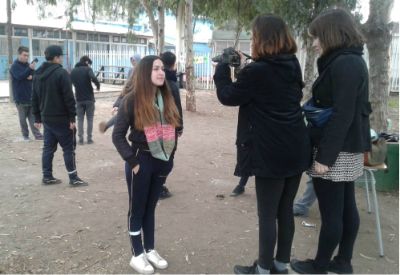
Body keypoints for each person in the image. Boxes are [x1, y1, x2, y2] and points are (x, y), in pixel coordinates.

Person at [213, 14, 311, 274]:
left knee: (267, 214)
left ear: (261, 38)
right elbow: (269, 84)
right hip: (296, 146)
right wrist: (246, 65)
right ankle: (281, 264)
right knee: (285, 211)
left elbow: (228, 96)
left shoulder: (257, 71)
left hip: (271, 151)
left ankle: (263, 269)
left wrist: (222, 67)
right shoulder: (292, 63)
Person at [290, 8, 371, 274]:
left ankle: (321, 264)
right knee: (346, 206)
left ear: (332, 34)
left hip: (336, 148)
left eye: (317, 37)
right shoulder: (349, 60)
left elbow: (342, 114)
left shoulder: (345, 63)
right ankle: (343, 261)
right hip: (345, 146)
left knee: (332, 211)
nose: (314, 43)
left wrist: (325, 157)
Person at [112, 55, 181, 274]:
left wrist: (170, 160)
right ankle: (137, 253)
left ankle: (150, 249)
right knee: (137, 209)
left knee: (150, 208)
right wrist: (132, 162)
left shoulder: (167, 97)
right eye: (155, 69)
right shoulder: (131, 100)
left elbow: (175, 130)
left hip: (162, 162)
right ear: (144, 73)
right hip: (140, 161)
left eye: (162, 68)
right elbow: (118, 136)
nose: (161, 72)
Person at [32, 45, 87, 187]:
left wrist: (37, 117)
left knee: (48, 148)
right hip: (62, 119)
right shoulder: (61, 73)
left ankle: (47, 176)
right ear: (56, 57)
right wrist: (72, 118)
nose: (61, 59)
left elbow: (34, 97)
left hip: (46, 119)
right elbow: (69, 98)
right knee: (69, 149)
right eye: (60, 56)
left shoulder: (37, 73)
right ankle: (73, 178)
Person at [159, 51, 184, 199]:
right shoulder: (172, 83)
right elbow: (177, 107)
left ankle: (155, 184)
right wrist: (179, 126)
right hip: (168, 126)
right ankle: (159, 185)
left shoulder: (153, 79)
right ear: (173, 64)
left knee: (157, 154)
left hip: (153, 124)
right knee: (168, 157)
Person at [10, 46, 43, 141]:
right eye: (24, 55)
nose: (26, 57)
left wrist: (32, 76)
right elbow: (19, 76)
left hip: (30, 96)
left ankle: (37, 135)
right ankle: (25, 135)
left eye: (27, 55)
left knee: (33, 117)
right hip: (20, 97)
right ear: (19, 54)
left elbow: (34, 75)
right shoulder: (14, 66)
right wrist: (28, 70)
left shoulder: (28, 65)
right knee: (23, 119)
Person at [70, 56, 100, 145]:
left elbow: (68, 83)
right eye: (89, 64)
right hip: (89, 99)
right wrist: (97, 85)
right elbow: (94, 78)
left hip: (79, 99)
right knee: (90, 119)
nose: (89, 65)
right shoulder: (88, 69)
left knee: (80, 119)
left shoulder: (73, 71)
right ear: (86, 62)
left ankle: (81, 139)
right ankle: (89, 139)